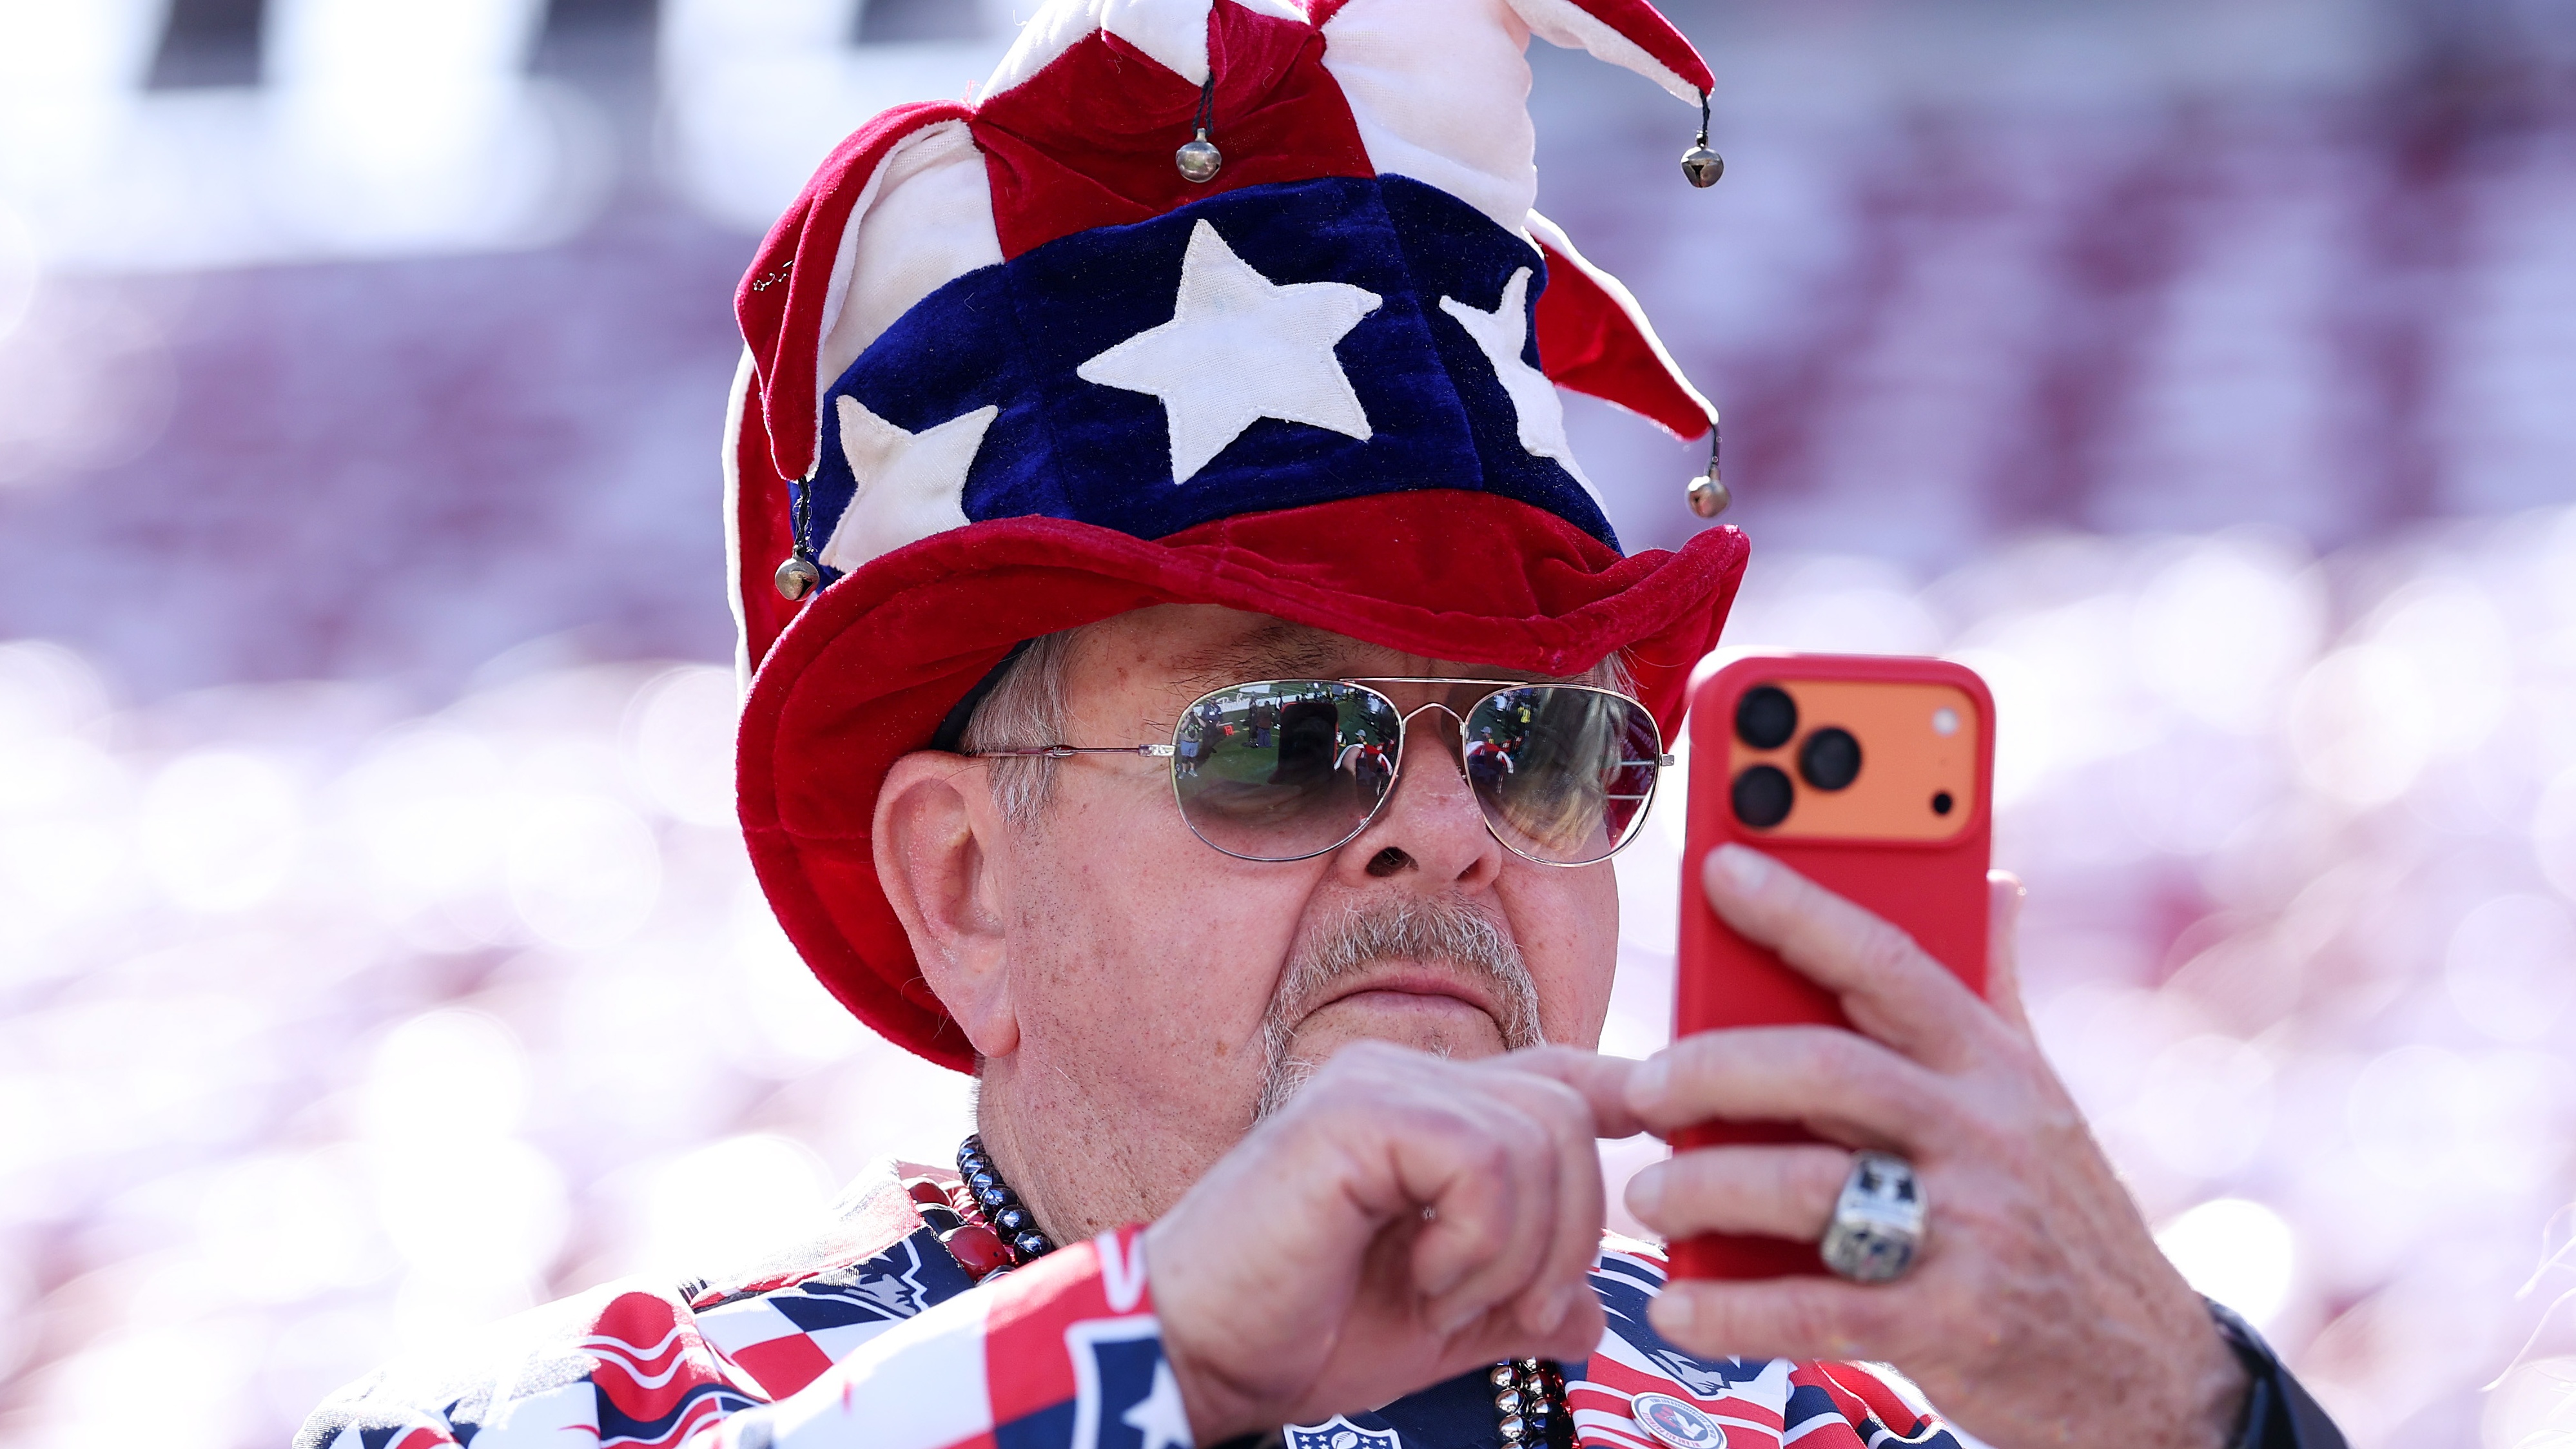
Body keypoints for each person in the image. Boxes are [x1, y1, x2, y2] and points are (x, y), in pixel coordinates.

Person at [299, 2, 2345, 1446]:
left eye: (1539, 749)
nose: (1451, 833)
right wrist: (1154, 1356)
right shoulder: (576, 1421)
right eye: (1284, 741)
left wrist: (2173, 1407)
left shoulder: (1855, 1435)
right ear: (961, 885)